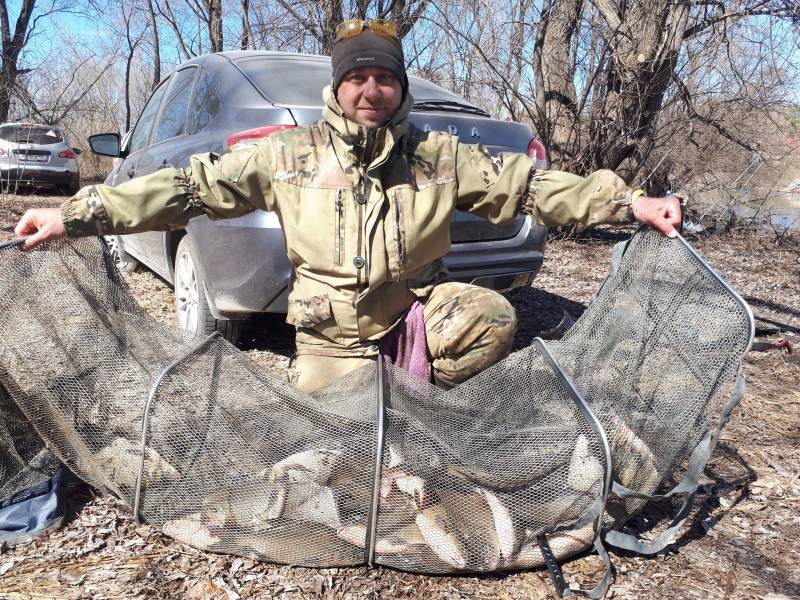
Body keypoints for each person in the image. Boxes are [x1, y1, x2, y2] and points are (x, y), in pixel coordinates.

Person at [15, 19, 681, 394]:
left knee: (490, 313)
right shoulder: (289, 153)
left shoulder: (435, 154)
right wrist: (73, 213)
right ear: (340, 87)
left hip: (408, 324)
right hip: (329, 338)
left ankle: (423, 389)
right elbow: (184, 188)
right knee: (332, 461)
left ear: (398, 87)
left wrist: (629, 203)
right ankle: (363, 400)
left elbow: (530, 186)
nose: (371, 90)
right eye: (357, 77)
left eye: (383, 77)